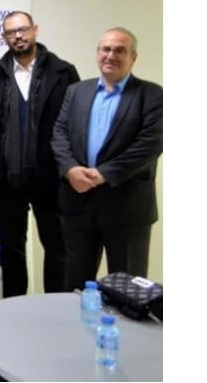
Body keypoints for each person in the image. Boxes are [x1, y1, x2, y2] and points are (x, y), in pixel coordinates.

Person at [51, 27, 162, 289]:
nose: (111, 55)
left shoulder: (153, 95)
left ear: (133, 57)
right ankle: (77, 319)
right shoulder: (77, 91)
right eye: (106, 49)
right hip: (77, 203)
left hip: (127, 207)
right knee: (75, 285)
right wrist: (70, 169)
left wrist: (103, 174)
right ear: (97, 53)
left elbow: (150, 144)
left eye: (120, 50)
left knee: (127, 286)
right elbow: (59, 133)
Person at [0, 11, 79, 296]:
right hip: (6, 179)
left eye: (23, 29)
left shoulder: (63, 72)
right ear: (4, 37)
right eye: (11, 32)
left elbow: (75, 126)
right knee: (11, 250)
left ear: (35, 30)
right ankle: (14, 309)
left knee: (57, 247)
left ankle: (54, 308)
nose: (18, 36)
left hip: (50, 178)